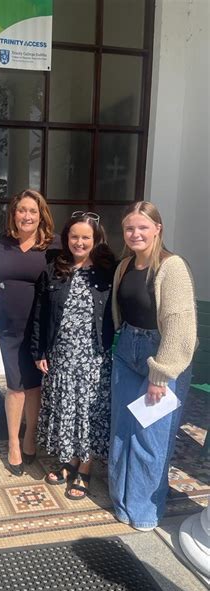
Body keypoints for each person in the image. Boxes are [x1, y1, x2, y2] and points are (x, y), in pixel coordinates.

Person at [108, 201, 197, 531]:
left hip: (161, 356)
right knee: (122, 430)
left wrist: (161, 374)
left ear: (157, 228)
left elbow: (179, 324)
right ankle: (122, 501)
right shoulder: (125, 266)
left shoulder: (171, 267)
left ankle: (144, 510)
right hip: (127, 351)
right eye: (130, 228)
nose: (135, 234)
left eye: (143, 227)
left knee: (151, 437)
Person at [31, 213, 116, 499]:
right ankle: (68, 460)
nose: (80, 242)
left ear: (96, 240)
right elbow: (41, 314)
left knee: (88, 414)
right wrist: (40, 350)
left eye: (86, 237)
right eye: (74, 236)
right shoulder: (55, 269)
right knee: (66, 411)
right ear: (67, 239)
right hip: (62, 356)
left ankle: (85, 468)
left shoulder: (108, 272)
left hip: (93, 359)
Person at [0, 189, 58, 475]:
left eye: (33, 211)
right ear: (14, 214)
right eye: (22, 210)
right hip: (9, 328)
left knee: (34, 387)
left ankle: (30, 435)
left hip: (38, 328)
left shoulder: (52, 247)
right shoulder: (3, 244)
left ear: (41, 215)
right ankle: (13, 444)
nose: (27, 216)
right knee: (15, 387)